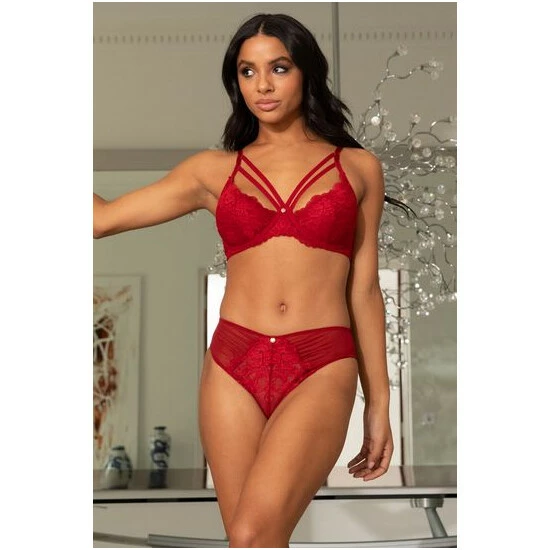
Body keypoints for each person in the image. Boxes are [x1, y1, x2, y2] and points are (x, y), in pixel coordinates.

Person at [94, 13, 401, 548]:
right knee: (250, 542)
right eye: (247, 71)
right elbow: (100, 220)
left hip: (320, 362)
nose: (262, 84)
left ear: (306, 72)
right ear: (235, 81)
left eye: (278, 68)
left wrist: (379, 402)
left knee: (253, 535)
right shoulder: (211, 171)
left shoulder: (358, 168)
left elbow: (364, 290)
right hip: (232, 362)